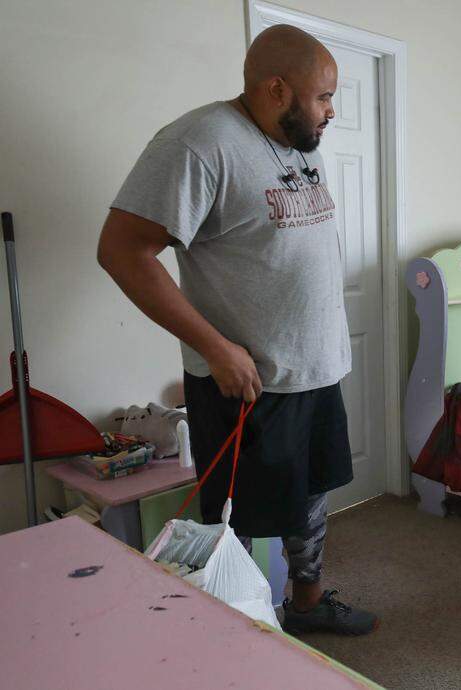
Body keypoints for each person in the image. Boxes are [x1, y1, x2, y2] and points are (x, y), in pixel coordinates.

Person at [97, 25, 376, 635]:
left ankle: (305, 604)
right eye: (324, 96)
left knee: (311, 493)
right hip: (246, 380)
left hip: (315, 367)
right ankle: (236, 630)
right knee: (235, 513)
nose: (333, 110)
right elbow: (123, 252)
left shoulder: (301, 139)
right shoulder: (198, 145)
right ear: (276, 89)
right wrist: (215, 349)